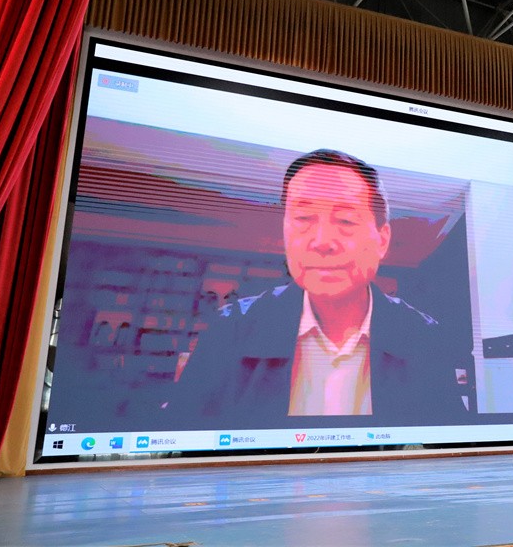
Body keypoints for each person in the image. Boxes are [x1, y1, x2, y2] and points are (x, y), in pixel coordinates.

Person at [165, 150, 466, 430]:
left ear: (382, 240)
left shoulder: (422, 337)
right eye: (304, 219)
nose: (322, 241)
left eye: (346, 220)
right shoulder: (232, 329)